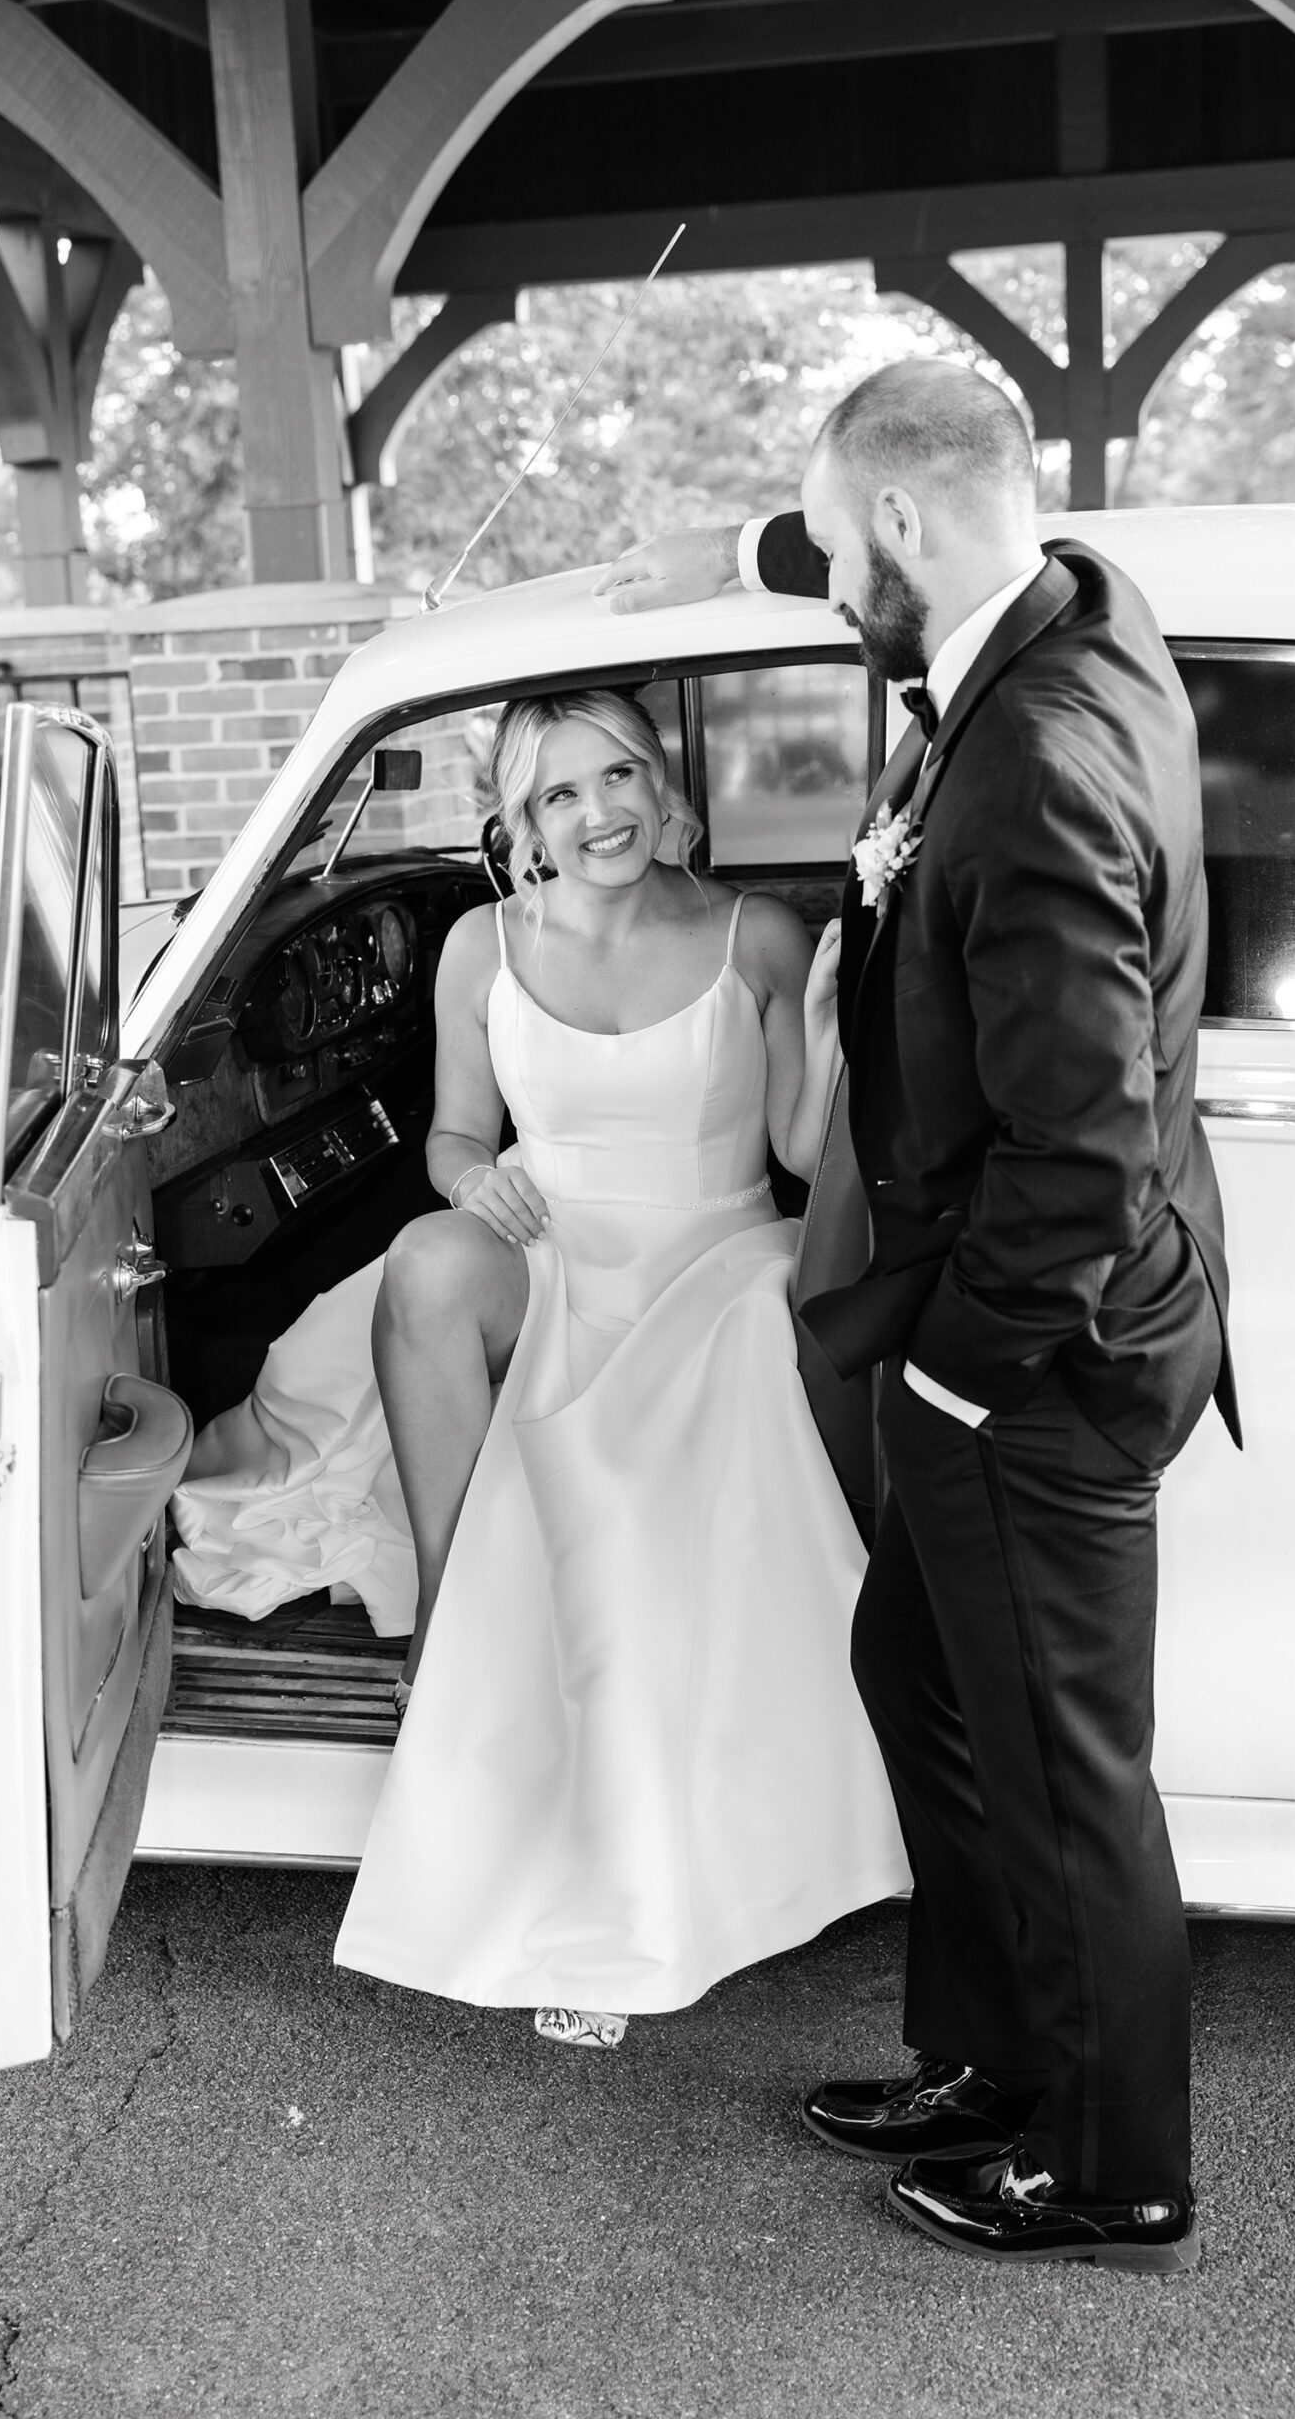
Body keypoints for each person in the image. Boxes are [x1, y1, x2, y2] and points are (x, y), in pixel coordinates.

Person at [595, 358, 1237, 2272]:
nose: (818, 574)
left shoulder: (1039, 750)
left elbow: (1082, 1141)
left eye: (825, 535)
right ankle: (990, 2056)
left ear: (901, 523)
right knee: (924, 1677)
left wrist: (953, 1380)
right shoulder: (1066, 603)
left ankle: (1116, 2167)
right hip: (979, 1324)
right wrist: (710, 545)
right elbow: (899, 523)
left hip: (1032, 1356)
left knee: (1062, 1765)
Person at [173, 686, 908, 2047]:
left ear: (659, 783)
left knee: (613, 1515)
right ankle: (457, 1621)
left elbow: (806, 1160)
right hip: (548, 1242)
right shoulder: (475, 947)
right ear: (518, 822)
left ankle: (619, 1904)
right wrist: (479, 1188)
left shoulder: (753, 930)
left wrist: (832, 1016)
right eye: (562, 793)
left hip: (710, 1257)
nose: (601, 811)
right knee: (427, 1261)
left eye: (621, 775)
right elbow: (454, 1138)